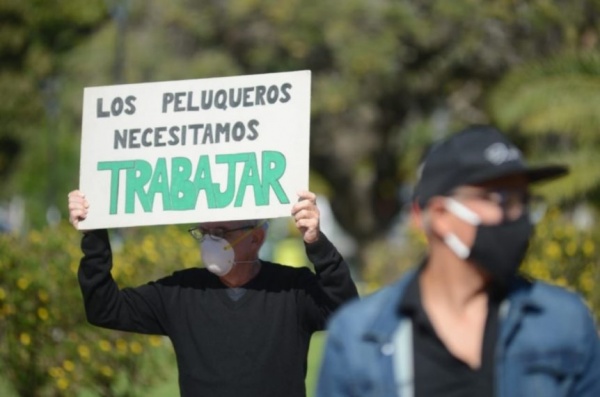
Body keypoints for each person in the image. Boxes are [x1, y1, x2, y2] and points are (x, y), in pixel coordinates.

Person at [316, 125, 600, 397]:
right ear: (439, 215)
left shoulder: (564, 321)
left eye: (524, 200)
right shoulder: (358, 336)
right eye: (502, 199)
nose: (518, 216)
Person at [67, 189, 358, 397]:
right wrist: (94, 235)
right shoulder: (181, 292)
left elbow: (348, 312)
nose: (210, 241)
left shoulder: (292, 289)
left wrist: (317, 244)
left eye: (221, 232)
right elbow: (104, 308)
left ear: (256, 238)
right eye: (204, 232)